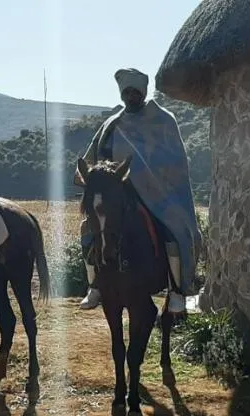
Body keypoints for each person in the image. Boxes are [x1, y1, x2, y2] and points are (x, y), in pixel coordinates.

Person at [75, 68, 201, 313]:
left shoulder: (163, 119)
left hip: (157, 196)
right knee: (88, 228)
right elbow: (93, 157)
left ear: (142, 93)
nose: (130, 96)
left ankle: (176, 290)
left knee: (173, 232)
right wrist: (95, 178)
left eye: (135, 92)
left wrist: (149, 178)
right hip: (117, 194)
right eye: (126, 92)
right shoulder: (112, 123)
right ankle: (95, 285)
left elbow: (175, 161)